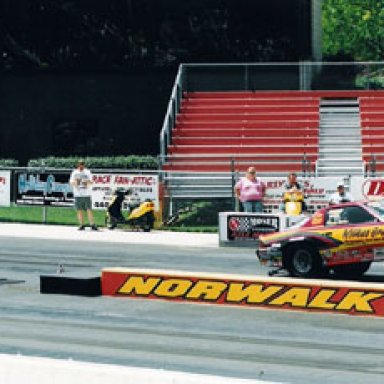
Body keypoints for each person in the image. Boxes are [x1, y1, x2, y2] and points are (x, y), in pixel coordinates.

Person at [69, 160, 98, 230]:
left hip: (86, 194)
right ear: (78, 165)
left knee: (89, 209)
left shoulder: (87, 172)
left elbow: (91, 182)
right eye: (79, 164)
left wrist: (86, 182)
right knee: (79, 210)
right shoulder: (74, 172)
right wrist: (76, 183)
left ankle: (92, 224)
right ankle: (81, 225)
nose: (81, 166)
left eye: (82, 164)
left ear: (84, 165)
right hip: (78, 194)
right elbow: (71, 182)